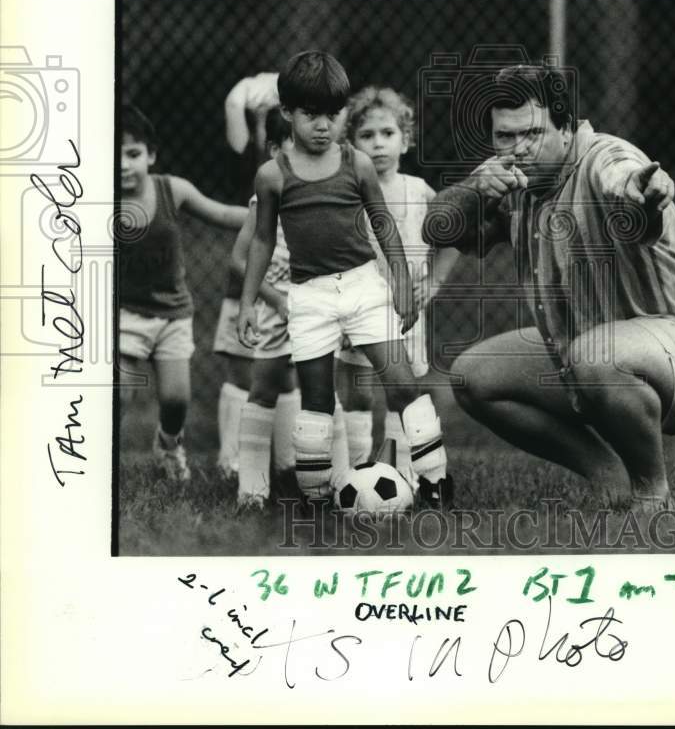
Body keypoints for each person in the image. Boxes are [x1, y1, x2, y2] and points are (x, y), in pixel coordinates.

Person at [422, 65, 675, 511]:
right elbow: (436, 227)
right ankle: (607, 474)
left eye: (532, 133)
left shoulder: (606, 158)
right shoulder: (511, 174)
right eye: (504, 136)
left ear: (567, 128)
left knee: (594, 356)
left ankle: (651, 493)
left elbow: (627, 183)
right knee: (474, 377)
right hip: (594, 347)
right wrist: (475, 189)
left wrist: (643, 193)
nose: (518, 148)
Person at [238, 51, 454, 509]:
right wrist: (245, 303)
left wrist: (399, 280)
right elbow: (260, 241)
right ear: (287, 114)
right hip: (310, 296)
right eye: (310, 114)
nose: (323, 125)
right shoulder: (272, 175)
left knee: (402, 382)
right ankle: (318, 497)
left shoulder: (355, 163)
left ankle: (435, 482)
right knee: (317, 400)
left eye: (333, 114)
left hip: (362, 287)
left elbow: (383, 224)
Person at [225, 106, 349, 508]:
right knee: (263, 388)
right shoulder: (265, 197)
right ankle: (253, 488)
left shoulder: (332, 194)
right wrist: (274, 300)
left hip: (320, 312)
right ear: (275, 150)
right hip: (278, 311)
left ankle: (342, 482)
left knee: (325, 392)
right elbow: (239, 259)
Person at [118, 104, 247, 481]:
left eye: (133, 154)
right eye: (114, 155)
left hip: (173, 314)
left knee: (176, 399)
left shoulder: (172, 190)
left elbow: (221, 214)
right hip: (124, 314)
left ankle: (168, 445)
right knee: (120, 394)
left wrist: (268, 213)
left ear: (151, 155)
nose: (125, 165)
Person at [334, 86, 459, 475]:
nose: (378, 144)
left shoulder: (418, 191)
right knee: (355, 393)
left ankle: (400, 476)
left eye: (387, 134)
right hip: (357, 311)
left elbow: (456, 236)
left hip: (406, 313)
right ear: (350, 143)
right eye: (366, 136)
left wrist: (434, 282)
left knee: (402, 394)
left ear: (405, 140)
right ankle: (352, 478)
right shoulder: (347, 193)